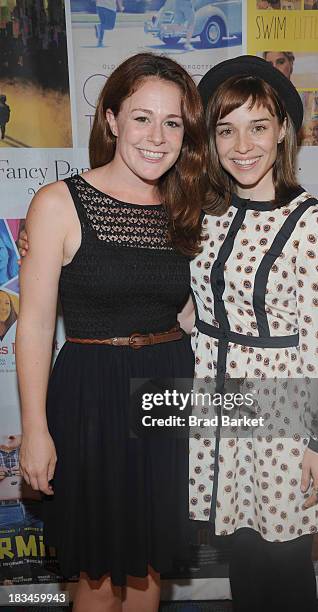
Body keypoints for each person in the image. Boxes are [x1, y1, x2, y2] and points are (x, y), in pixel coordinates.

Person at [15, 52, 207, 612]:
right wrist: (34, 429)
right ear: (112, 119)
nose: (157, 136)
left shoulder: (187, 205)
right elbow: (32, 329)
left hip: (168, 385)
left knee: (149, 568)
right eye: (142, 117)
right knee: (96, 575)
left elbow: (191, 307)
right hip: (92, 394)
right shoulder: (57, 203)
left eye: (172, 122)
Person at [186, 56, 318, 611]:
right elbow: (200, 307)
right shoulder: (207, 213)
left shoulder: (315, 223)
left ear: (283, 128)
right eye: (225, 129)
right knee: (245, 562)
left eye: (258, 126)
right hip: (225, 409)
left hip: (288, 418)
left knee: (284, 566)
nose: (242, 145)